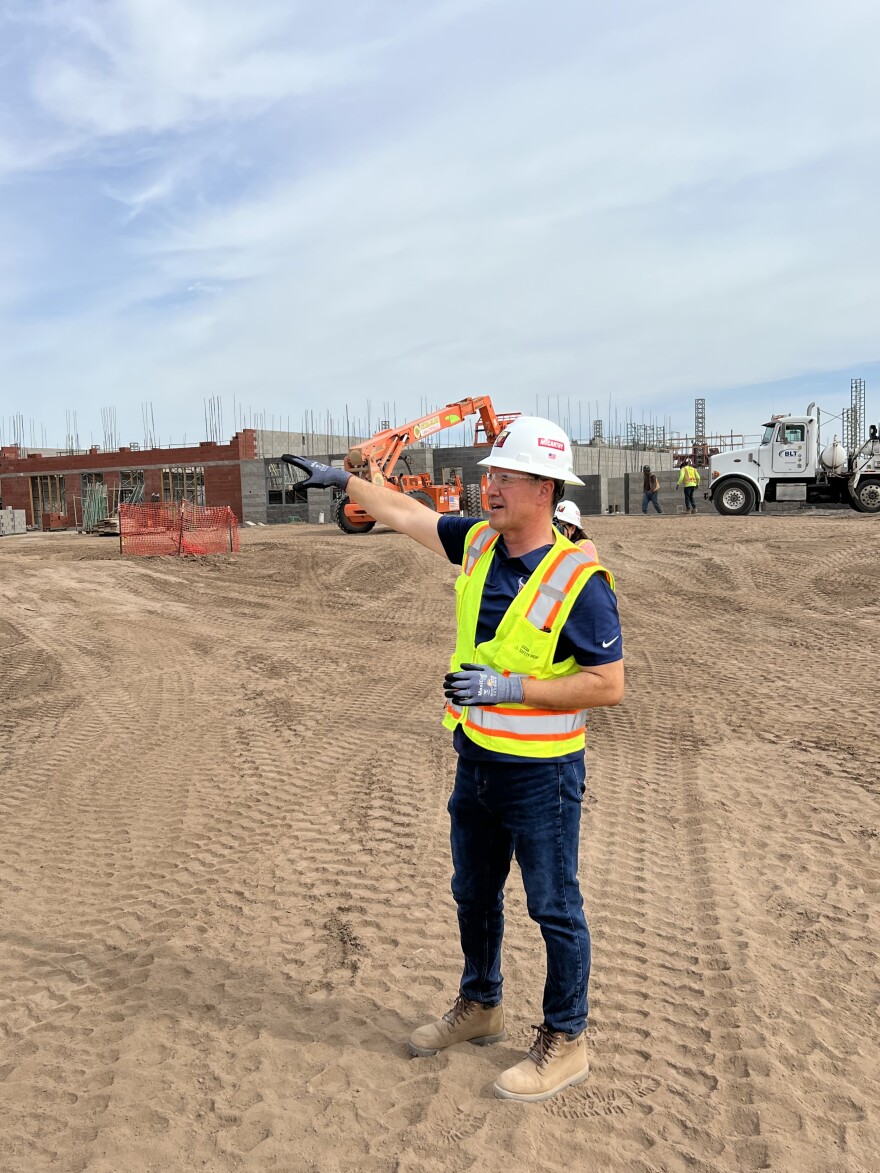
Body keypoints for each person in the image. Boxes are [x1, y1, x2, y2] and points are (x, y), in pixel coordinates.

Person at [284, 418, 624, 1102]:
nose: (487, 485)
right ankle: (483, 1005)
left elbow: (608, 683)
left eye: (504, 476)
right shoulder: (476, 543)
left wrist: (511, 688)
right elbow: (411, 513)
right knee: (473, 890)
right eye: (490, 474)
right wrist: (347, 482)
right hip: (477, 761)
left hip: (543, 774)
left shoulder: (579, 580)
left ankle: (566, 1039)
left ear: (543, 488)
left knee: (554, 905)